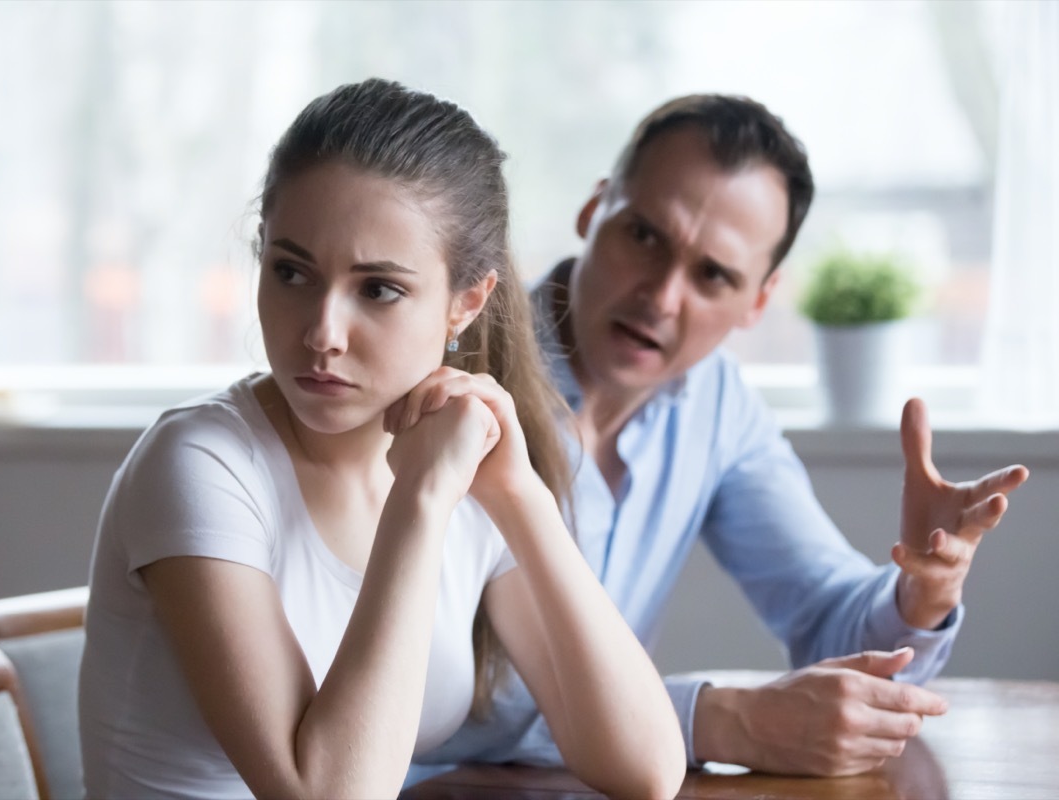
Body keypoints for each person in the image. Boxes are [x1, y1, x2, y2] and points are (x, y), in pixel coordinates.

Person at [77, 78, 685, 800]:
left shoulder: (466, 470)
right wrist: (420, 502)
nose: (322, 335)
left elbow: (644, 768)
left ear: (466, 303)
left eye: (378, 289)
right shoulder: (202, 466)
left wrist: (517, 493)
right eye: (292, 272)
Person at [411, 93, 1030, 779]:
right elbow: (449, 711)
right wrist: (713, 719)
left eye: (713, 275)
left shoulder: (718, 406)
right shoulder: (448, 366)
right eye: (644, 236)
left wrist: (922, 590)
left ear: (759, 301)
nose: (663, 296)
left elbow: (829, 620)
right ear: (594, 211)